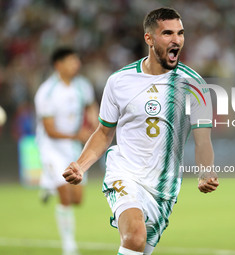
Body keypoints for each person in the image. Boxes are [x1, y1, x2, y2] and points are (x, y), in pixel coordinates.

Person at [63, 8, 219, 255]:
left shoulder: (195, 85)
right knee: (134, 236)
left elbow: (202, 139)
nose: (176, 39)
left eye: (180, 33)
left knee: (138, 249)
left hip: (163, 187)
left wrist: (205, 172)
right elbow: (104, 132)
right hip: (124, 172)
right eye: (167, 33)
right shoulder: (119, 81)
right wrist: (81, 166)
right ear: (149, 39)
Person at [34, 47, 98, 255]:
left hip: (73, 147)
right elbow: (50, 130)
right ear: (58, 65)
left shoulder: (82, 86)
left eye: (76, 60)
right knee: (66, 197)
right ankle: (69, 246)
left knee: (77, 199)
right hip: (51, 147)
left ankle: (48, 183)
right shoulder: (47, 92)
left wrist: (95, 126)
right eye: (71, 61)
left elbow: (91, 108)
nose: (76, 65)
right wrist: (77, 135)